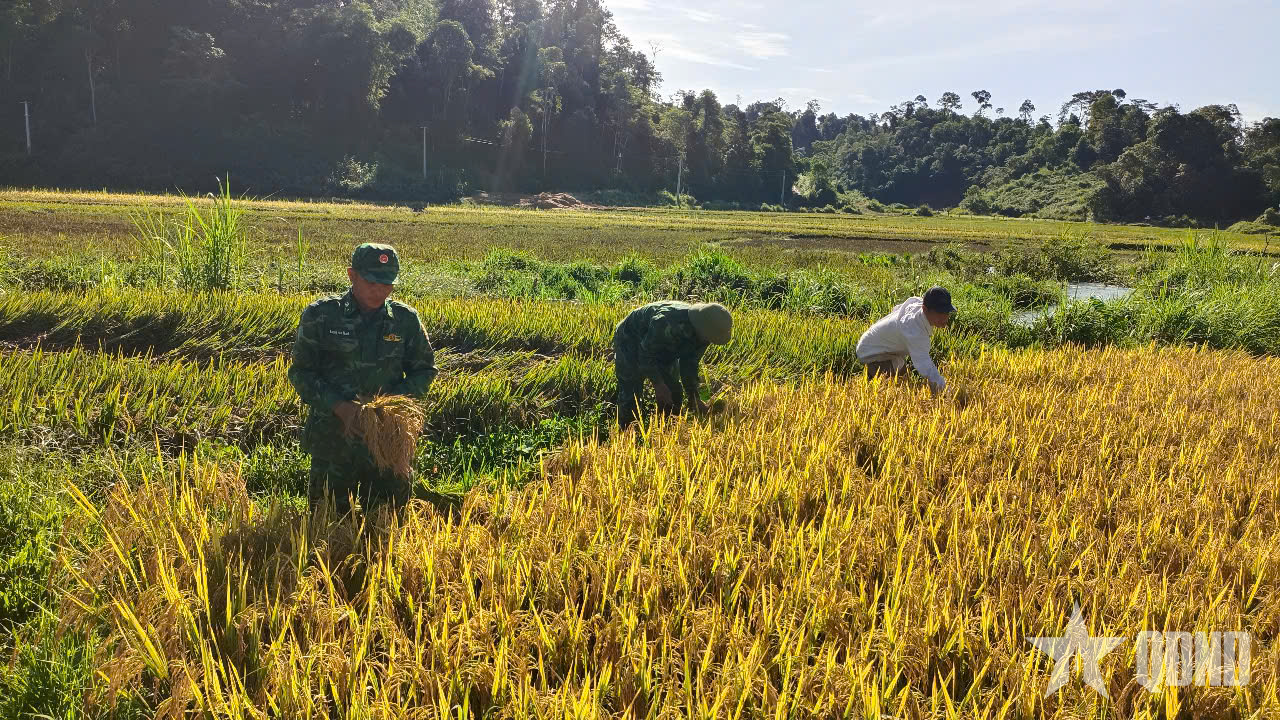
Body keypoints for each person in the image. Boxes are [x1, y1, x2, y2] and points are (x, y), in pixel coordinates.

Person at [288, 243, 438, 513]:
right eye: (371, 281)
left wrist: (390, 406)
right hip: (332, 440)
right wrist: (340, 407)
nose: (379, 289)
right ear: (352, 275)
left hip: (387, 441)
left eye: (387, 283)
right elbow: (301, 372)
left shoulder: (405, 320)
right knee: (327, 522)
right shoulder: (321, 316)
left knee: (385, 525)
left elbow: (425, 371)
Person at [613, 300, 732, 427]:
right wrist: (658, 384)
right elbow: (645, 355)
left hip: (663, 346)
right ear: (700, 327)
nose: (708, 341)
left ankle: (666, 429)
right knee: (632, 389)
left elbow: (690, 364)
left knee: (674, 391)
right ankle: (627, 431)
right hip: (631, 338)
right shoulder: (666, 322)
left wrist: (694, 396)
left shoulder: (704, 336)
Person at [856, 286, 955, 396]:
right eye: (939, 313)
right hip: (872, 352)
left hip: (883, 348)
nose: (945, 319)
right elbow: (925, 365)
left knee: (906, 383)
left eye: (946, 313)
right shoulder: (914, 330)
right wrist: (945, 391)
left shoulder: (918, 309)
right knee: (897, 393)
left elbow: (898, 308)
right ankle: (871, 375)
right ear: (925, 309)